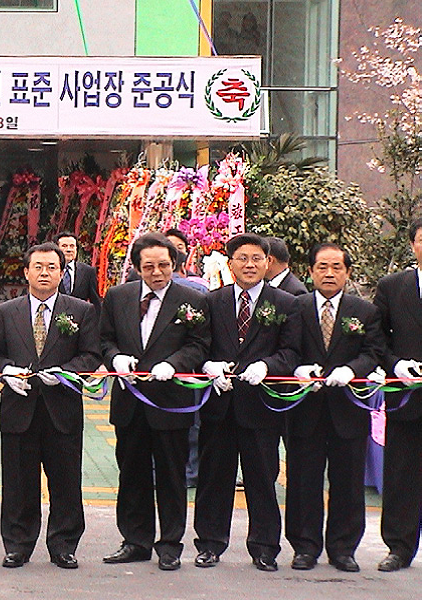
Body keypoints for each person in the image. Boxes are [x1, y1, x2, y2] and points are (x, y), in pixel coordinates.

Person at [100, 233, 210, 571]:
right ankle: (135, 541)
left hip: (170, 404)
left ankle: (170, 544)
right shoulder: (118, 297)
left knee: (171, 477)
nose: (157, 272)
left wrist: (173, 363)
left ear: (174, 264)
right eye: (149, 266)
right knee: (131, 475)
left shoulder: (191, 299)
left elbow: (200, 344)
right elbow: (105, 339)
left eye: (164, 265)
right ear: (137, 268)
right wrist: (115, 358)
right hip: (130, 404)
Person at [193, 232, 300, 572]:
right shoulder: (213, 301)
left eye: (256, 259)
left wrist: (267, 365)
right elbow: (200, 347)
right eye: (242, 258)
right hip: (220, 406)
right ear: (230, 263)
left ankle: (265, 547)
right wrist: (208, 366)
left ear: (268, 262)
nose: (249, 265)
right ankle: (209, 544)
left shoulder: (284, 303)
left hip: (261, 407)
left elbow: (292, 352)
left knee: (262, 479)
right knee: (213, 477)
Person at [0, 242, 100, 569]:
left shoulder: (80, 310)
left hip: (61, 409)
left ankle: (64, 545)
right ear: (25, 272)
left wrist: (66, 373)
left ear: (62, 272)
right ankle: (17, 545)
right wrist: (6, 370)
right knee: (18, 483)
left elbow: (91, 356)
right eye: (37, 267)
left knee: (66, 482)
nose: (44, 273)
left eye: (52, 267)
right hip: (18, 409)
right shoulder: (6, 312)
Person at [286, 242, 384, 572]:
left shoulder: (364, 311)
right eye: (322, 267)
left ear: (348, 272)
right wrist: (299, 369)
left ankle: (343, 549)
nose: (329, 273)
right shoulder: (296, 307)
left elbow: (373, 353)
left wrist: (352, 370)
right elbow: (287, 349)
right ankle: (305, 546)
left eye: (337, 267)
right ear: (310, 271)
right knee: (303, 480)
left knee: (348, 482)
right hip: (306, 410)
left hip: (348, 410)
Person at [373, 217, 422, 572]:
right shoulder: (392, 286)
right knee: (402, 475)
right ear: (412, 244)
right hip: (407, 398)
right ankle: (399, 547)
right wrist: (396, 364)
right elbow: (377, 339)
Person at [54, 231, 101, 308]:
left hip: (81, 317)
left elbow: (95, 302)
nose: (68, 250)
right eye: (64, 246)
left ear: (76, 249)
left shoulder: (88, 271)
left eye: (72, 246)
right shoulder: (50, 270)